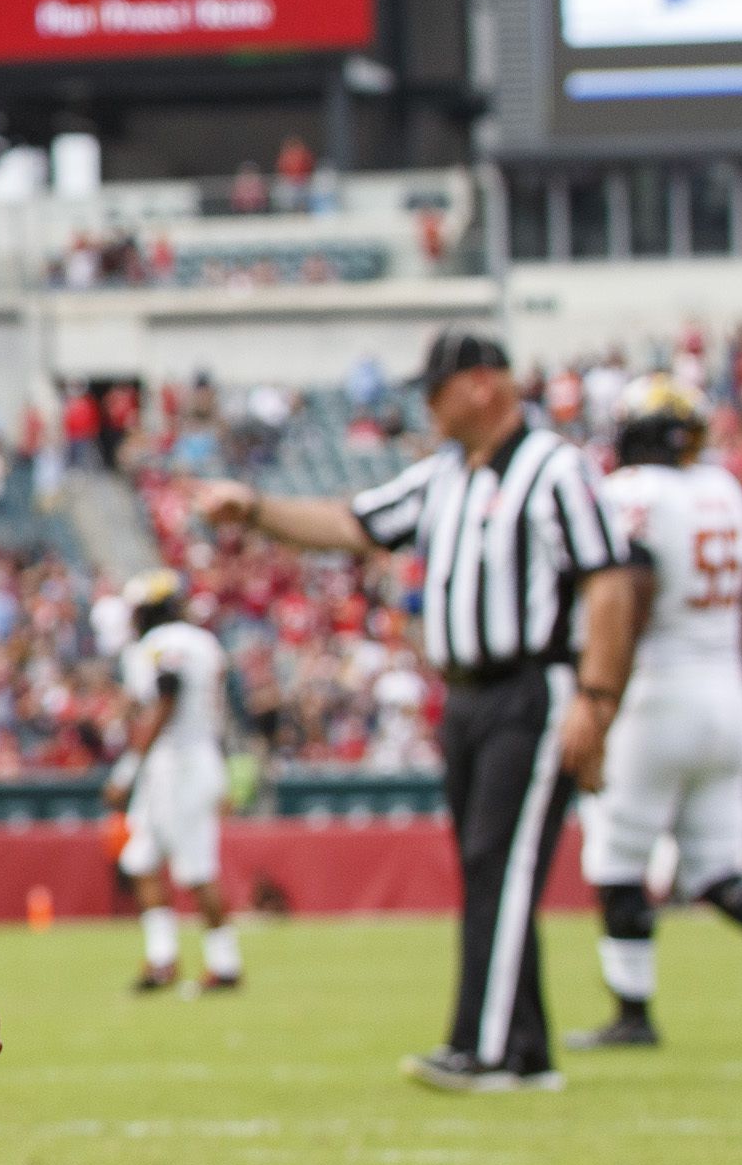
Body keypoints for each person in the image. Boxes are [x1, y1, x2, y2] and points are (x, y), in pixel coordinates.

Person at [190, 326, 620, 1092]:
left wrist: (596, 695)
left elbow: (609, 582)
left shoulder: (557, 469)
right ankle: (522, 1048)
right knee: (492, 865)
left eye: (437, 386)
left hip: (534, 683)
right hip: (466, 692)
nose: (427, 403)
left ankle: (484, 1048)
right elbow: (355, 525)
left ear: (482, 383)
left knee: (501, 860)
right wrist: (254, 509)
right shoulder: (443, 476)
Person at [567, 376, 742, 1049]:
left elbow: (626, 592)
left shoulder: (633, 494)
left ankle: (633, 1012)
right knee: (717, 862)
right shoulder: (727, 493)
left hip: (658, 689)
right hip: (727, 689)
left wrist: (600, 701)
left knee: (617, 854)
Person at [107, 573, 242, 996]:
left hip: (178, 763)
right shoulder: (203, 641)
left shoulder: (163, 644)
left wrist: (127, 769)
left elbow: (168, 697)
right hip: (191, 758)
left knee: (197, 869)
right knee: (140, 859)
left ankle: (225, 963)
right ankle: (162, 959)